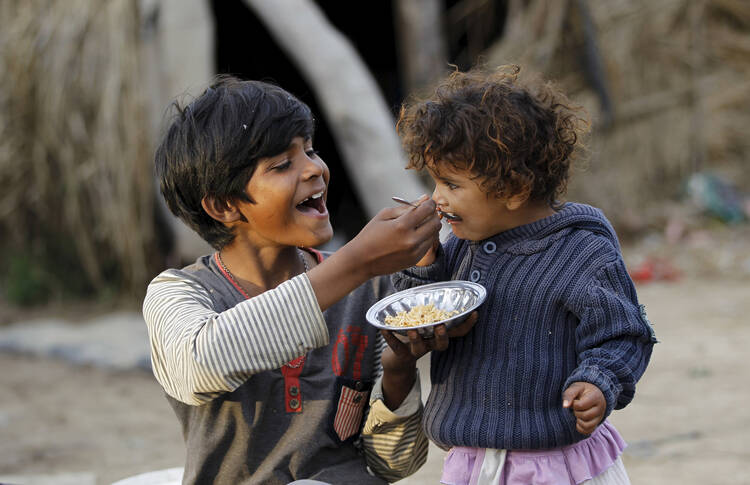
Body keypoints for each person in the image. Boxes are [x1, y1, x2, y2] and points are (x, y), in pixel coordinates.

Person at [143, 76, 472, 485]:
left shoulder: (370, 293)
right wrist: (358, 260)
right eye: (282, 165)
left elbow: (392, 466)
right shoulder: (179, 293)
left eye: (310, 151)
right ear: (224, 205)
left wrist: (399, 371)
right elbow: (201, 364)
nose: (315, 169)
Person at [393, 66, 657, 484]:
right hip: (472, 461)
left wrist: (598, 382)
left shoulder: (581, 253)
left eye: (451, 184)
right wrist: (423, 264)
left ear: (513, 189)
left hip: (556, 462)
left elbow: (624, 334)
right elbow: (419, 318)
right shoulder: (461, 246)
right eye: (434, 181)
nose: (436, 198)